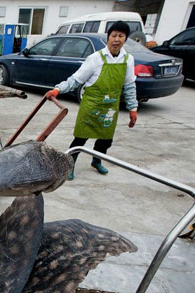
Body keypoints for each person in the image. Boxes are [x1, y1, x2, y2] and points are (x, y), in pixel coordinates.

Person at [46, 21, 138, 180]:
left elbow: (129, 86)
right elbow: (76, 79)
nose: (116, 39)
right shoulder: (95, 58)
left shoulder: (128, 60)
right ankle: (70, 165)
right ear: (108, 37)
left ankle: (97, 160)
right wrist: (58, 89)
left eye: (121, 36)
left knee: (106, 139)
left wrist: (133, 108)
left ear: (125, 39)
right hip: (91, 105)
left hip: (110, 108)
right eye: (114, 35)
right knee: (80, 138)